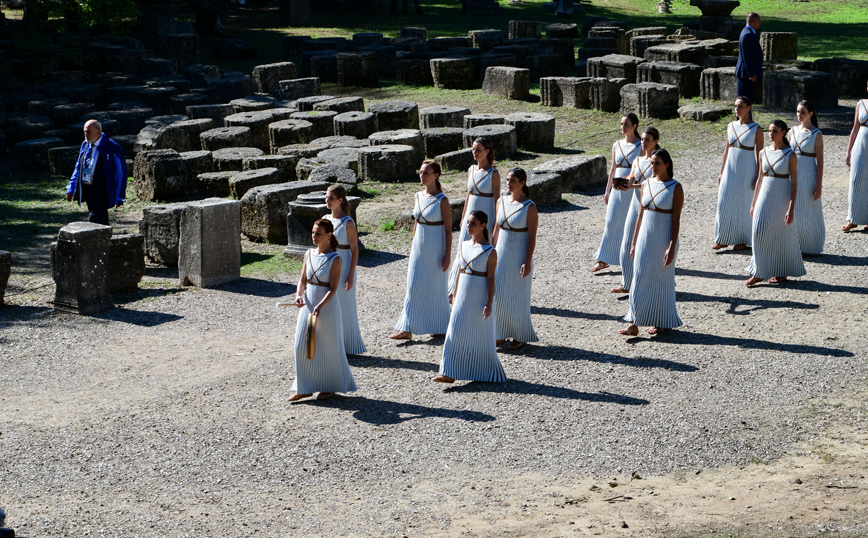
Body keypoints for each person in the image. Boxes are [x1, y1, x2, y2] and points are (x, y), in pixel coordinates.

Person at [288, 219, 357, 402]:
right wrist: (298, 295)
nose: (314, 236)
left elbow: (333, 288)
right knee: (302, 345)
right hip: (308, 306)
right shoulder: (308, 254)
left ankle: (330, 386)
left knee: (328, 346)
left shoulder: (335, 258)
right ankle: (304, 387)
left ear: (328, 235)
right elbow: (302, 280)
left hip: (327, 308)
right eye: (313, 232)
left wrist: (320, 305)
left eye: (318, 233)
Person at [435, 210, 505, 384]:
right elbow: (459, 272)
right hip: (462, 295)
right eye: (467, 223)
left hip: (479, 296)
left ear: (483, 226)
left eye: (473, 223)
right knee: (453, 331)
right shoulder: (463, 245)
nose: (469, 226)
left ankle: (485, 371)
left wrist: (489, 303)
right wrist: (455, 294)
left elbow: (491, 279)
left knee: (479, 334)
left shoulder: (490, 251)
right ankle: (448, 372)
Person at [620, 149, 683, 336]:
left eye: (657, 164)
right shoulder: (646, 184)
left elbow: (676, 220)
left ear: (667, 165)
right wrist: (634, 242)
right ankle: (634, 322)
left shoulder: (675, 188)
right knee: (639, 278)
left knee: (661, 280)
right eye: (652, 163)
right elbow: (640, 215)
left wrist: (671, 246)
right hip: (644, 239)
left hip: (663, 240)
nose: (653, 167)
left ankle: (661, 320)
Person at [391, 161, 452, 340]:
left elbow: (448, 229)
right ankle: (407, 328)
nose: (422, 176)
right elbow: (416, 223)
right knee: (413, 285)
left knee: (436, 286)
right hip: (419, 247)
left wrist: (447, 254)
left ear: (436, 175)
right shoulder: (417, 196)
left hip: (436, 246)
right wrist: (413, 245)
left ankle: (439, 325)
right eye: (421, 172)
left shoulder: (442, 200)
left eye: (426, 173)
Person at [746, 120, 806, 286]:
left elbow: (794, 184)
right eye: (770, 131)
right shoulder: (763, 152)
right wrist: (753, 203)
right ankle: (759, 271)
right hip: (764, 196)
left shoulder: (790, 155)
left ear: (783, 133)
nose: (771, 134)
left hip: (781, 197)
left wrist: (791, 208)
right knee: (758, 231)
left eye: (775, 131)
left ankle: (781, 270)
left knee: (780, 234)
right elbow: (759, 179)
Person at [492, 167, 538, 351]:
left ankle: (520, 335)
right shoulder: (501, 201)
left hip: (519, 256)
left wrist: (527, 261)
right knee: (498, 292)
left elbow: (532, 237)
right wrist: (490, 252)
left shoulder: (529, 207)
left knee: (518, 296)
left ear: (522, 183)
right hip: (501, 254)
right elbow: (496, 229)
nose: (508, 183)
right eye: (507, 180)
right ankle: (500, 332)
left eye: (512, 180)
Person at [447, 137, 499, 296]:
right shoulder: (471, 170)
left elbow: (497, 200)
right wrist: (463, 217)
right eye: (473, 149)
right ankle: (453, 289)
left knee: (483, 249)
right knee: (462, 249)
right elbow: (468, 195)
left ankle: (482, 290)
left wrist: (495, 223)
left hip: (486, 214)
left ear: (487, 151)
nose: (475, 153)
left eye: (478, 150)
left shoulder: (493, 173)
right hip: (470, 214)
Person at [591, 114, 642, 273]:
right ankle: (603, 259)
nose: (623, 127)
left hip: (631, 190)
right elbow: (613, 169)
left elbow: (643, 168)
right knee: (611, 222)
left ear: (634, 126)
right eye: (621, 124)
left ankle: (632, 258)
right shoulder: (617, 144)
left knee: (630, 224)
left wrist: (632, 182)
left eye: (626, 124)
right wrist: (607, 191)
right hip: (616, 189)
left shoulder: (641, 146)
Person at [613, 127, 659, 294]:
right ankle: (627, 283)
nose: (643, 142)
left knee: (648, 245)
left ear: (655, 142)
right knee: (627, 243)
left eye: (647, 140)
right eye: (643, 139)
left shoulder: (657, 162)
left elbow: (654, 183)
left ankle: (648, 282)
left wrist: (631, 186)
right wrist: (621, 182)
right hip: (635, 205)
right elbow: (632, 179)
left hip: (651, 206)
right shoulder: (637, 160)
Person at [713, 96, 763, 251]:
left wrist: (759, 176)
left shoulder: (756, 128)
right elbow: (726, 150)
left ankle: (742, 239)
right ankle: (722, 238)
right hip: (730, 168)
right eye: (735, 106)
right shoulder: (731, 126)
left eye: (740, 106)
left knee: (744, 202)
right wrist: (721, 172)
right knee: (724, 201)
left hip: (747, 169)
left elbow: (760, 154)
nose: (737, 109)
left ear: (749, 107)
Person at [324, 185, 366, 355]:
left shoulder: (348, 222)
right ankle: (331, 345)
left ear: (340, 200)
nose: (327, 201)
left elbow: (355, 250)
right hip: (328, 264)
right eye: (326, 197)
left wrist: (350, 275)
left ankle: (348, 345)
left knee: (344, 306)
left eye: (331, 198)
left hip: (344, 265)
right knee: (329, 305)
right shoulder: (325, 219)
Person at [65, 119, 127, 226]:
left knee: (96, 215)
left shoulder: (112, 147)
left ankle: (92, 234)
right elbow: (78, 167)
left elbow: (121, 173)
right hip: (88, 188)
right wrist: (71, 188)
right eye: (85, 132)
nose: (86, 135)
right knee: (99, 217)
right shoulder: (85, 145)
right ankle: (104, 235)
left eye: (89, 132)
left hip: (102, 189)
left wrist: (120, 196)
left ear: (98, 132)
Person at [789, 100, 825, 254]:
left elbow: (820, 162)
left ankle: (809, 245)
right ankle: (793, 244)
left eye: (803, 112)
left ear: (810, 114)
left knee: (807, 209)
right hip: (792, 175)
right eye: (798, 111)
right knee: (793, 208)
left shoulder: (816, 134)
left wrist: (818, 185)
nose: (799, 115)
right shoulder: (792, 131)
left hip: (808, 174)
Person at [843, 81, 868, 232]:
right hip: (860, 145)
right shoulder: (861, 103)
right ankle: (852, 218)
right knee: (856, 179)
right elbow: (855, 128)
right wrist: (848, 151)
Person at [736, 12, 763, 101]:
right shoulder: (747, 35)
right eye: (759, 21)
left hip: (748, 74)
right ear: (753, 21)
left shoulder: (750, 33)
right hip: (746, 75)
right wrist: (751, 74)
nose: (760, 23)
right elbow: (747, 57)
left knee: (747, 101)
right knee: (743, 100)